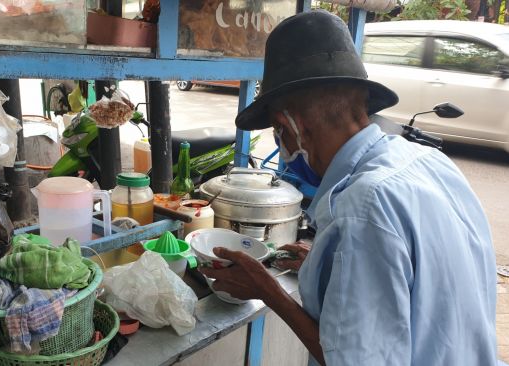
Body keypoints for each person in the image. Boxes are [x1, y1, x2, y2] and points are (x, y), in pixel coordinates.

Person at [200, 10, 497, 366]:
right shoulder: (429, 162)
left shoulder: (362, 209)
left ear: (290, 125)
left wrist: (268, 290)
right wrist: (327, 267)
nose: (282, 145)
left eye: (277, 134)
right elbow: (419, 282)